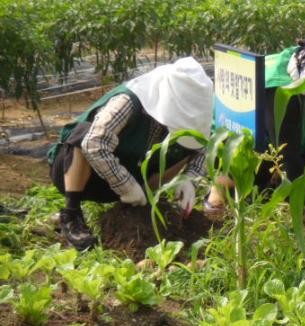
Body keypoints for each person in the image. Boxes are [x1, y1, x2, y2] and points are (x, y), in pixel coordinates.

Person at [48, 57, 213, 250]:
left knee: (185, 146)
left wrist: (190, 178)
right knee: (84, 134)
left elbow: (203, 144)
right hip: (83, 174)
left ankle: (146, 204)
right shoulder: (129, 100)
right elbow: (93, 144)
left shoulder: (200, 111)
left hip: (130, 177)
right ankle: (71, 215)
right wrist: (125, 185)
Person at [205, 27, 305, 223]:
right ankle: (215, 204)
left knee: (290, 168)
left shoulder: (302, 72)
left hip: (275, 141)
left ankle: (282, 186)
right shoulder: (279, 89)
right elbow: (284, 151)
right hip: (241, 141)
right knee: (243, 177)